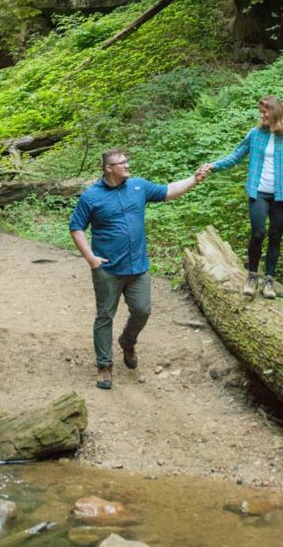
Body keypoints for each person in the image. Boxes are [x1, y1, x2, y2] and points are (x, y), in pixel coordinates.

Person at [69, 149, 207, 389]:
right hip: (108, 269)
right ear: (108, 169)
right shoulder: (91, 197)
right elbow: (76, 227)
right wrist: (91, 258)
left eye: (126, 161)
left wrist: (194, 179)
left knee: (142, 310)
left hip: (138, 267)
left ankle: (127, 341)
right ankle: (104, 366)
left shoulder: (138, 187)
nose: (126, 164)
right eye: (120, 163)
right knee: (104, 316)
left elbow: (169, 191)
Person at [199, 95, 283, 301]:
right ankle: (252, 276)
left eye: (265, 112)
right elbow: (236, 156)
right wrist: (214, 166)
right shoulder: (255, 134)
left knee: (275, 237)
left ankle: (269, 280)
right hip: (258, 192)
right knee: (258, 232)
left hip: (281, 195)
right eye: (260, 112)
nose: (262, 116)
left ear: (276, 112)